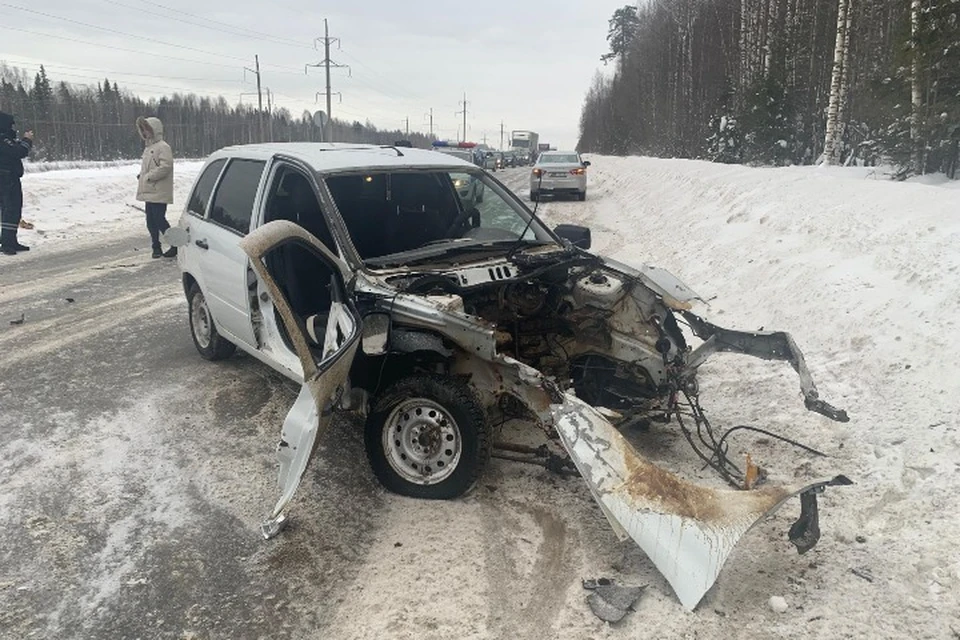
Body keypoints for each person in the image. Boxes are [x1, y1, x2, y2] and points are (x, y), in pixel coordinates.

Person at [135, 116, 175, 258]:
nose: (145, 133)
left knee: (159, 219)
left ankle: (175, 245)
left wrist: (149, 176)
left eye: (147, 129)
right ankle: (156, 247)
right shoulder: (148, 148)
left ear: (155, 130)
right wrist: (142, 176)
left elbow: (166, 166)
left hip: (159, 190)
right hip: (149, 190)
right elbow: (149, 167)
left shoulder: (163, 147)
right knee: (150, 221)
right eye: (143, 130)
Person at [0, 111, 34, 256]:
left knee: (12, 209)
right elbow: (18, 152)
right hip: (6, 178)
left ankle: (10, 240)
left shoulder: (5, 139)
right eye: (11, 125)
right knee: (10, 209)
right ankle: (7, 243)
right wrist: (27, 140)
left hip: (7, 177)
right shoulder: (3, 138)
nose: (13, 128)